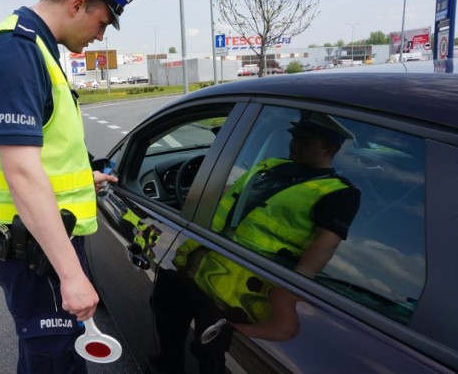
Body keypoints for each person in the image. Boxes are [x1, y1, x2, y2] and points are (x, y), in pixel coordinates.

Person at [0, 0, 142, 372]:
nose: (101, 37)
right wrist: (72, 275)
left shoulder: (38, 47)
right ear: (77, 4)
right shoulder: (17, 49)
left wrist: (84, 178)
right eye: (102, 23)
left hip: (41, 241)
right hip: (35, 248)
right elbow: (22, 173)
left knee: (54, 354)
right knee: (53, 359)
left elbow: (45, 151)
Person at [152, 112, 361, 373]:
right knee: (168, 321)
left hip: (234, 290)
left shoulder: (339, 193)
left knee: (209, 352)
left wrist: (293, 288)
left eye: (305, 140)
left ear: (330, 149)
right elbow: (232, 194)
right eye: (294, 137)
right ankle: (166, 365)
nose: (294, 143)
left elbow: (324, 245)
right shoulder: (270, 165)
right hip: (193, 263)